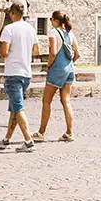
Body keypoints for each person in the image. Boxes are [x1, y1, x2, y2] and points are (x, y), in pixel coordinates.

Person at [0, 3, 39, 151]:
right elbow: (36, 51)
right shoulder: (31, 29)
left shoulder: (9, 29)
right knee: (14, 108)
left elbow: (4, 52)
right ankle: (7, 139)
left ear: (12, 13)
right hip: (26, 73)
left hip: (13, 72)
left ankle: (28, 141)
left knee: (18, 108)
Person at [36, 9, 80, 142]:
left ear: (55, 20)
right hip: (69, 70)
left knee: (46, 101)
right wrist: (68, 65)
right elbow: (77, 54)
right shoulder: (70, 33)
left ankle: (41, 132)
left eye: (51, 19)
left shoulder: (54, 32)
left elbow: (53, 52)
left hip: (56, 70)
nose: (50, 22)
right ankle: (69, 132)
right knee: (66, 101)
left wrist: (48, 65)